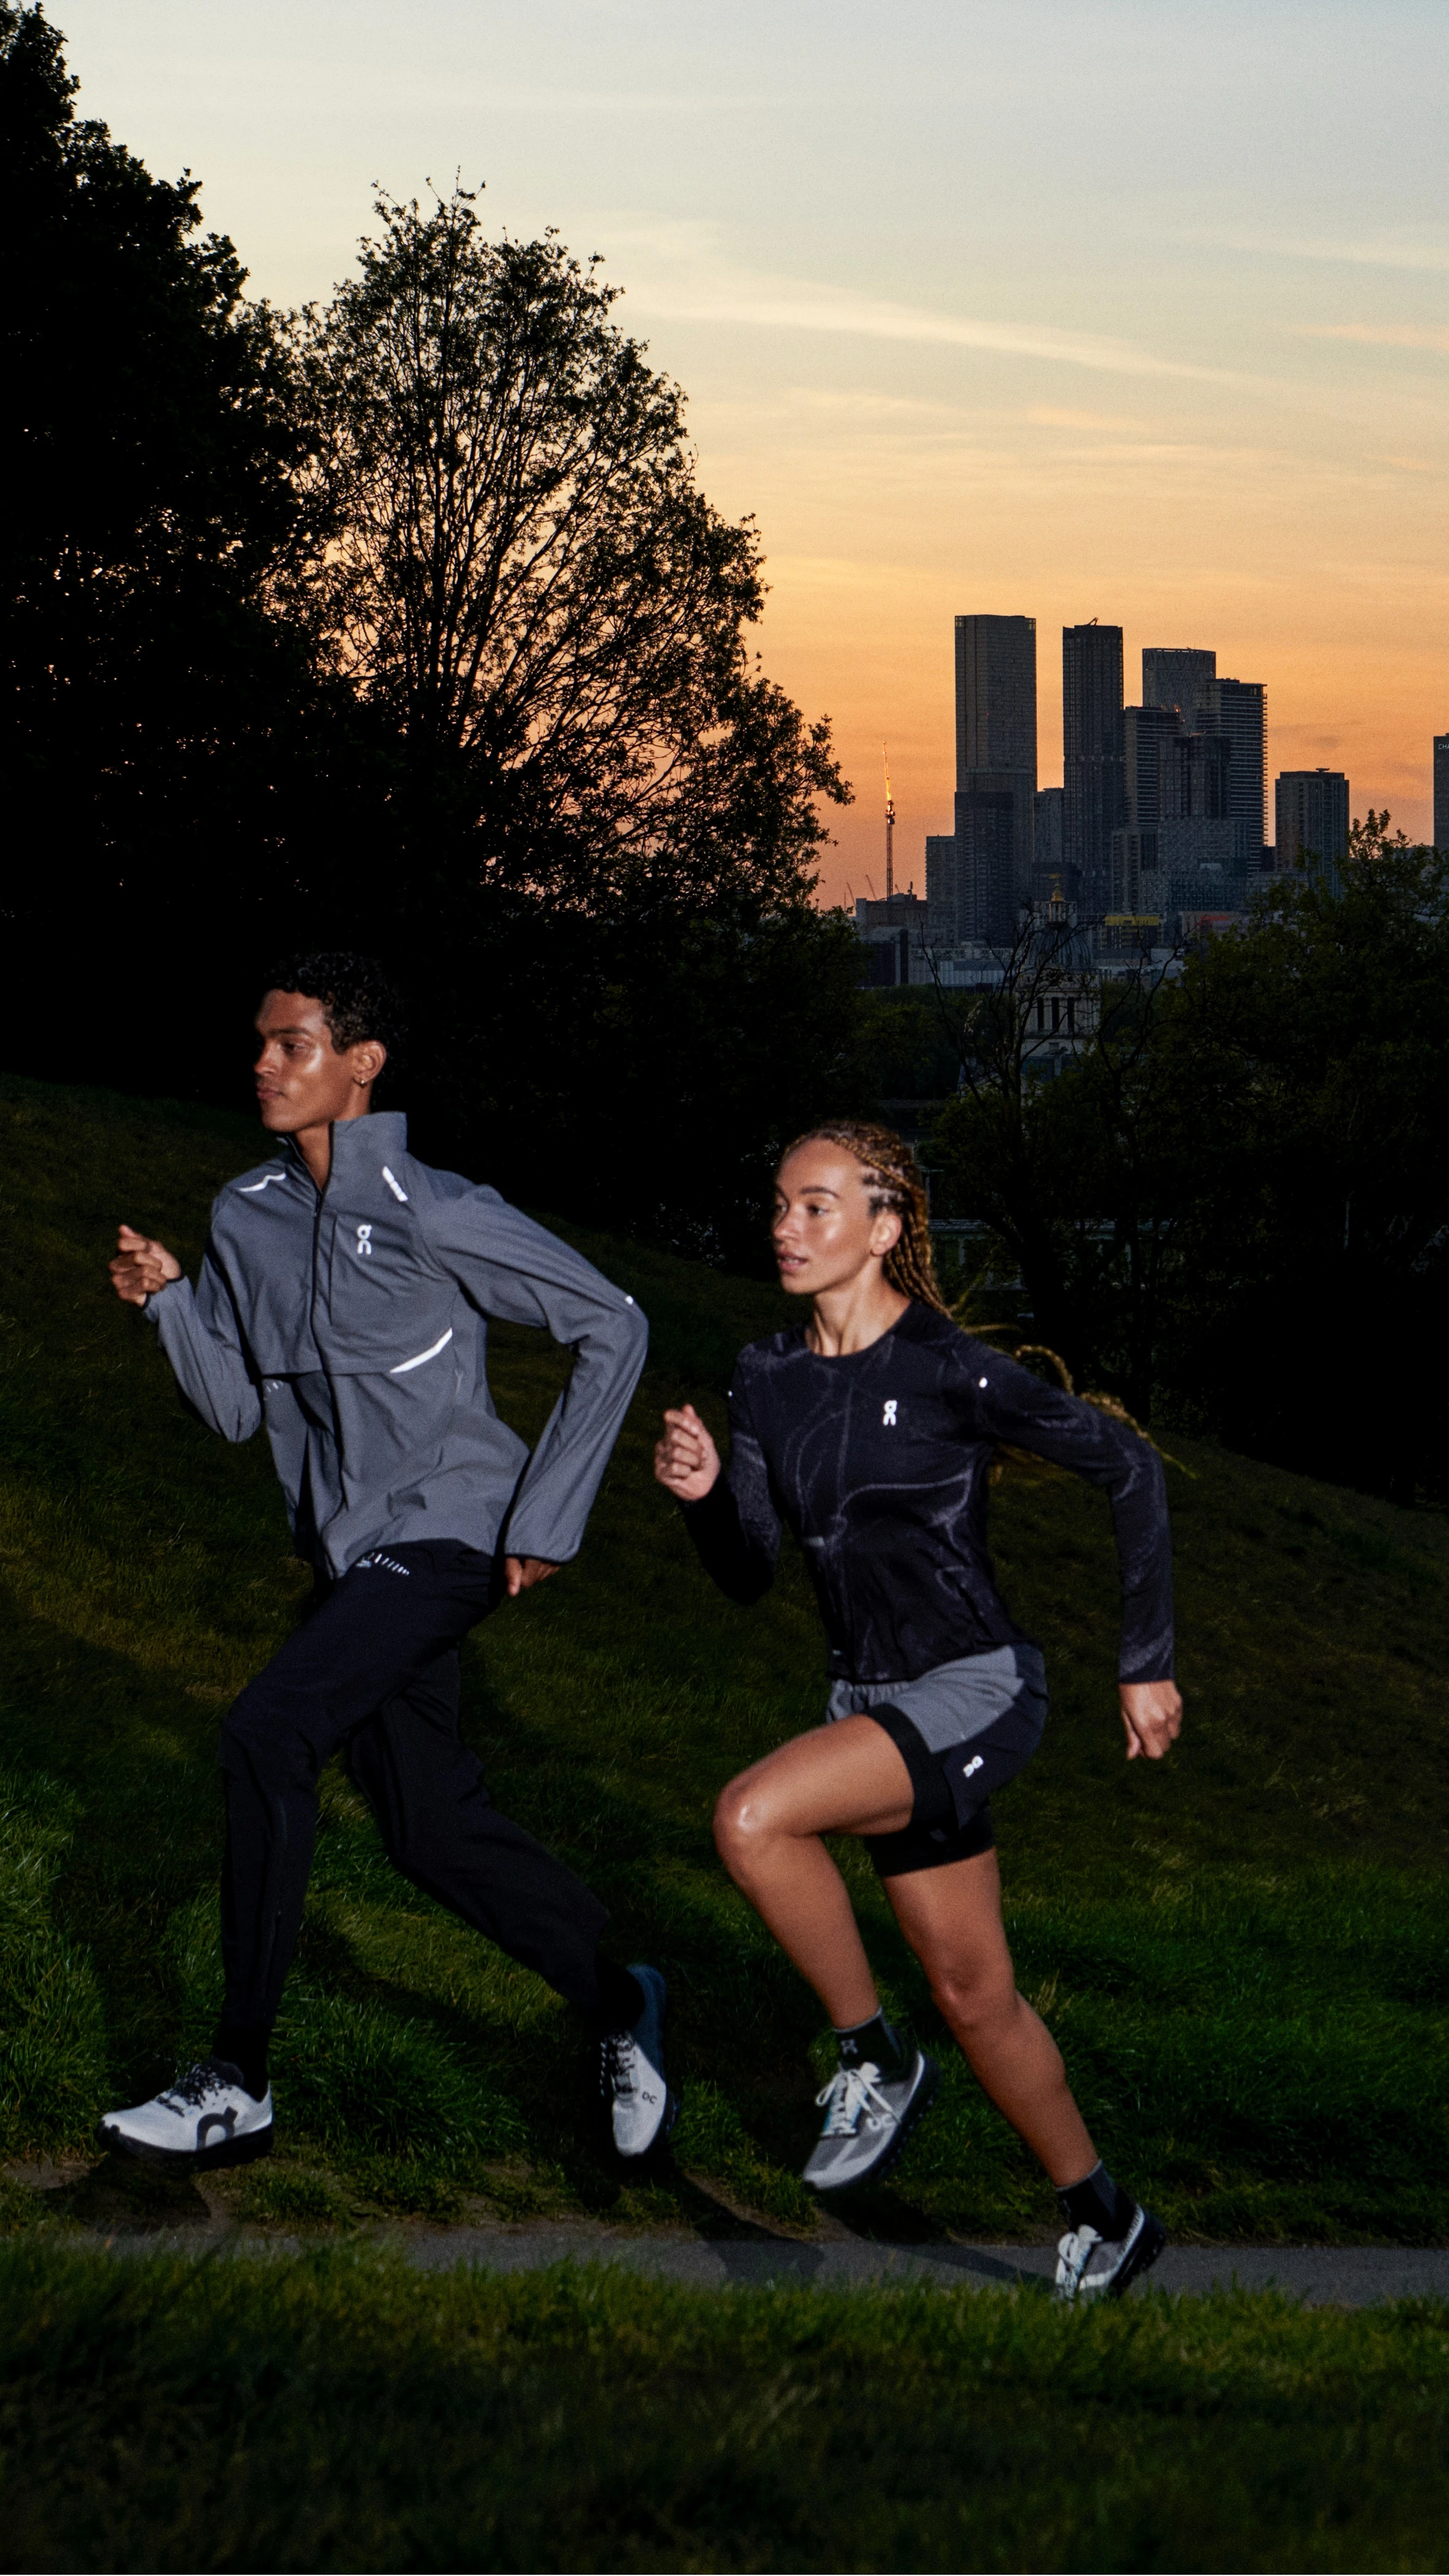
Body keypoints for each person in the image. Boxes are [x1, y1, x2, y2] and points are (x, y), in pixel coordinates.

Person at [102, 953, 674, 2172]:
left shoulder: (434, 1206)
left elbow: (612, 1322)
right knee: (425, 1826)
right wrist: (169, 1306)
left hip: (455, 1529)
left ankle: (236, 2080)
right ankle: (623, 2004)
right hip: (351, 1558)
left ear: (360, 1064)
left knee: (268, 1731)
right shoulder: (241, 1217)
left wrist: (546, 1516)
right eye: (259, 1043)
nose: (263, 1063)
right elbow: (240, 1416)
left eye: (292, 1044)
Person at [654, 1120, 1181, 2301]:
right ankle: (1107, 2218)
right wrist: (700, 1496)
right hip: (871, 1699)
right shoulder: (765, 1377)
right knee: (973, 1992)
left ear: (885, 1227)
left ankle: (872, 2057)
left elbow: (1131, 1470)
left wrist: (1143, 1661)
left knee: (752, 1820)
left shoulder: (951, 1370)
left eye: (817, 1207)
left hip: (975, 1687)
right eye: (780, 1206)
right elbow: (748, 1568)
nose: (787, 1228)